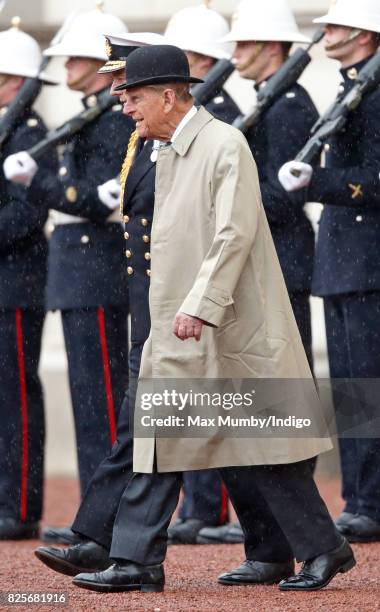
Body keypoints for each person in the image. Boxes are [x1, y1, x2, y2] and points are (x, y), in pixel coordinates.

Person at [34, 45, 354, 594]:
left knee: (253, 439)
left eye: (132, 97)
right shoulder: (165, 147)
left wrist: (197, 306)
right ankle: (153, 558)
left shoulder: (222, 143)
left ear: (167, 94)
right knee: (181, 436)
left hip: (223, 322)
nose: (125, 107)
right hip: (179, 324)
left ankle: (309, 548)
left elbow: (235, 233)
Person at [176, 0, 319, 546]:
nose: (233, 57)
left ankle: (294, 526)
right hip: (263, 262)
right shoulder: (265, 102)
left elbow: (281, 199)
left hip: (281, 261)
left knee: (279, 400)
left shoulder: (286, 107)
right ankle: (269, 524)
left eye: (243, 45)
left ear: (273, 47)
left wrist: (224, 203)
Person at [3, 4, 134, 544]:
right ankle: (94, 515)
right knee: (90, 403)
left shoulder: (108, 119)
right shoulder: (86, 115)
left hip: (99, 270)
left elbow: (100, 199)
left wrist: (38, 184)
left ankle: (107, 519)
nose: (65, 67)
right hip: (77, 272)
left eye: (75, 57)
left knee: (103, 400)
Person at [278, 0, 380, 543]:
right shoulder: (352, 86)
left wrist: (318, 183)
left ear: (365, 36)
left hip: (368, 261)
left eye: (336, 26)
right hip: (344, 260)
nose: (326, 33)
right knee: (350, 389)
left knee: (366, 387)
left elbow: (375, 177)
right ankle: (361, 498)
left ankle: (371, 501)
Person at [163, 0, 242, 545]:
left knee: (241, 397)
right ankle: (202, 504)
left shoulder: (226, 121)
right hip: (191, 269)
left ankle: (223, 509)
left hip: (227, 274)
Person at [0, 18, 58, 540]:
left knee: (14, 395)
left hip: (14, 282)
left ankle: (18, 506)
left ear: (16, 82)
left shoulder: (30, 133)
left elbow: (26, 212)